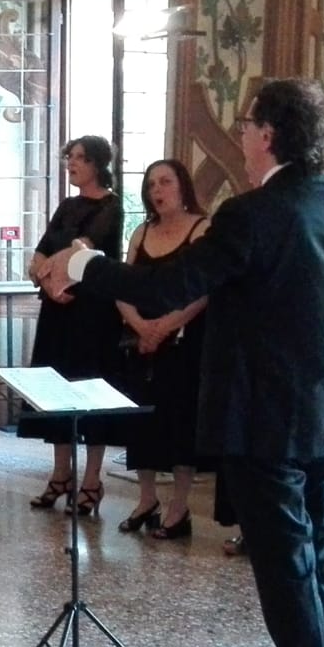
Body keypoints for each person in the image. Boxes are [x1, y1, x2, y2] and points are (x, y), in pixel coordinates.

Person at [38, 78, 324, 647]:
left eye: (246, 125)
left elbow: (161, 290)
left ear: (269, 134)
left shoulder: (251, 215)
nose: (240, 135)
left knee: (288, 572)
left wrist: (84, 264)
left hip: (268, 420)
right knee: (317, 564)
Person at [21, 135, 125, 517]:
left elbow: (79, 249)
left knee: (90, 392)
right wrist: (44, 277)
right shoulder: (66, 205)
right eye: (69, 157)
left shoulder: (111, 206)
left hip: (93, 313)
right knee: (55, 392)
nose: (72, 164)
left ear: (97, 164)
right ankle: (60, 474)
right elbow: (41, 251)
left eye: (79, 158)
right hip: (58, 311)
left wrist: (49, 277)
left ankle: (92, 480)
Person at [114, 159, 210, 540]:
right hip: (142, 341)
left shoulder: (202, 229)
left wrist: (166, 326)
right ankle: (147, 498)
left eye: (165, 182)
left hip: (185, 342)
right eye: (152, 184)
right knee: (142, 422)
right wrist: (142, 326)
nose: (158, 190)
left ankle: (179, 507)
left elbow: (203, 289)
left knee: (181, 422)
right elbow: (122, 286)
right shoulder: (141, 233)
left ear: (183, 186)